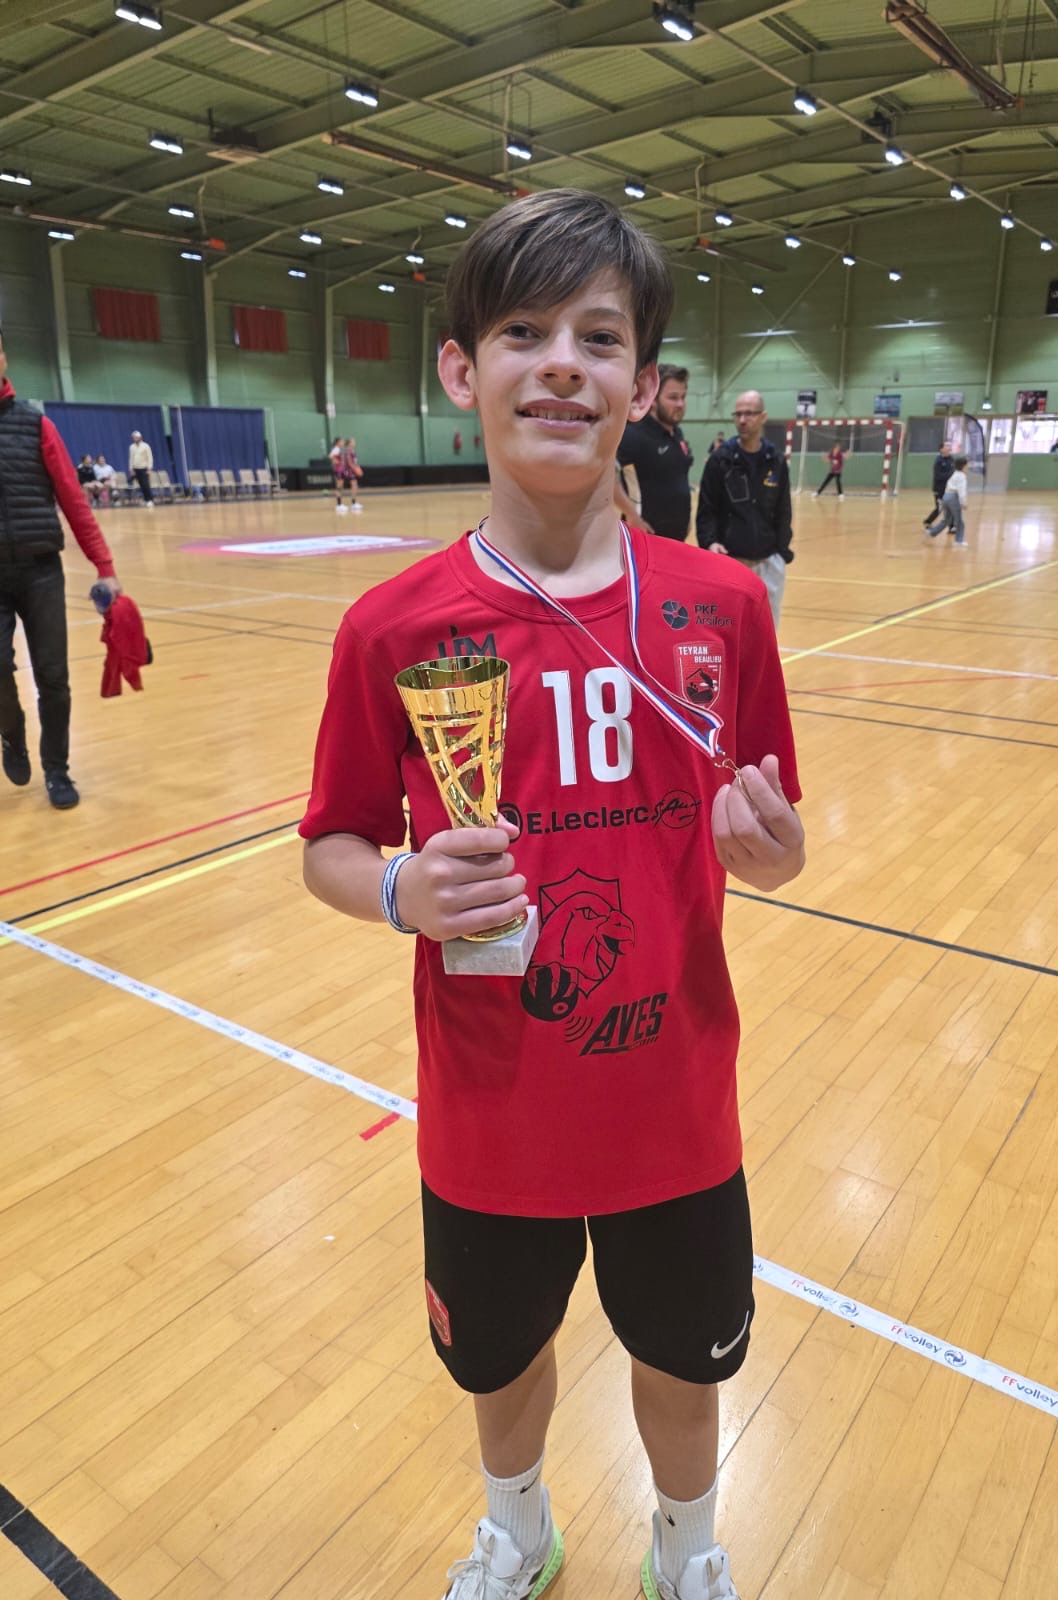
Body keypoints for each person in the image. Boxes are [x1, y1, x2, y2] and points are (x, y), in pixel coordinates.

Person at [298, 188, 805, 1600]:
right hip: (491, 1106)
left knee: (685, 1360)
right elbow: (329, 844)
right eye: (524, 333)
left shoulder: (723, 609)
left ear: (642, 386)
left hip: (674, 1099)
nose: (562, 365)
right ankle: (518, 1532)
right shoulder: (390, 628)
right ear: (463, 369)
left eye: (600, 336)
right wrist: (398, 889)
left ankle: (688, 1551)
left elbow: (779, 836)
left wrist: (772, 853)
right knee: (500, 1359)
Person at [0, 326, 122, 808]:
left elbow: (73, 500)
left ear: (4, 357)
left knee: (53, 677)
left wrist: (104, 565)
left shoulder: (36, 425)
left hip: (41, 572)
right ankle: (12, 733)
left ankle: (57, 769)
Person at [696, 390, 793, 628]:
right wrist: (709, 542)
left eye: (749, 414)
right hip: (730, 561)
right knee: (727, 631)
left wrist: (781, 549)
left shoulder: (776, 460)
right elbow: (707, 508)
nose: (742, 420)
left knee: (767, 631)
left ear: (762, 417)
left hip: (769, 561)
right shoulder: (721, 459)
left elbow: (783, 509)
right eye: (738, 414)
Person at [614, 363, 693, 541]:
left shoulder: (677, 434)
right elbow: (607, 476)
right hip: (646, 538)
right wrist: (632, 515)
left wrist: (686, 517)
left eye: (683, 397)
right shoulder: (634, 434)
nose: (680, 404)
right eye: (673, 398)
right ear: (654, 399)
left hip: (677, 538)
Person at [926, 454, 969, 546]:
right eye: (967, 465)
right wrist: (963, 502)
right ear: (964, 466)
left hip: (946, 496)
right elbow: (961, 490)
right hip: (953, 497)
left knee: (946, 520)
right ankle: (959, 541)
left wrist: (945, 498)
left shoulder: (954, 474)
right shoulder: (962, 476)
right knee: (959, 521)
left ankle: (932, 532)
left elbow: (948, 486)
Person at [922, 442, 954, 530]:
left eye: (949, 446)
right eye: (947, 446)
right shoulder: (938, 461)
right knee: (939, 508)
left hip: (948, 489)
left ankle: (952, 526)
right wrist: (950, 475)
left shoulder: (951, 459)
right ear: (941, 449)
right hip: (939, 489)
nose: (949, 448)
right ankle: (928, 522)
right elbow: (938, 476)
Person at [332, 435, 362, 513]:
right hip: (347, 471)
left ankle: (352, 503)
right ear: (349, 443)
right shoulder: (344, 450)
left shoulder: (346, 450)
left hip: (345, 470)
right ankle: (339, 505)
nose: (355, 443)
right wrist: (356, 469)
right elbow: (349, 462)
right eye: (353, 441)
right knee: (340, 487)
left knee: (352, 486)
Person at [128, 431, 154, 508]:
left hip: (144, 468)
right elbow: (131, 458)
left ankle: (150, 500)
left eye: (136, 437)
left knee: (146, 485)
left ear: (140, 437)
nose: (134, 439)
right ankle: (146, 500)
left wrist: (149, 468)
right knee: (141, 486)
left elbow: (150, 457)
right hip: (136, 469)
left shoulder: (146, 446)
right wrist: (131, 469)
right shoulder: (131, 447)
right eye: (133, 437)